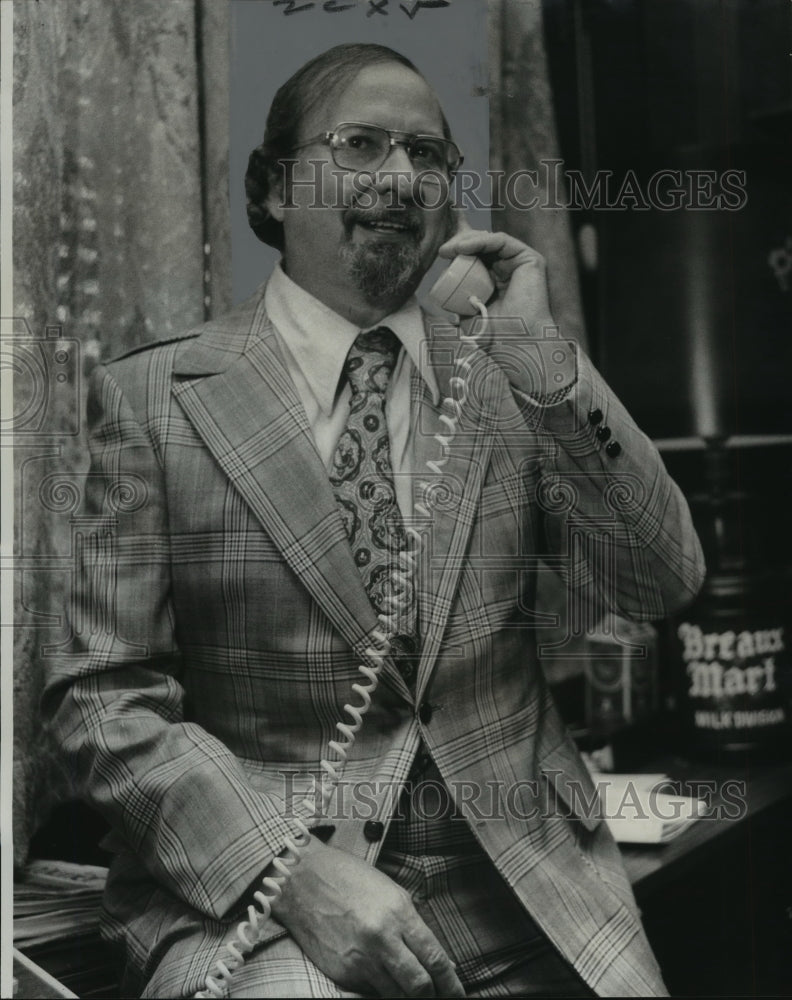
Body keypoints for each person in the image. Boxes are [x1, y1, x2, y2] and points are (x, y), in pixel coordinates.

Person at [44, 43, 705, 999]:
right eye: (361, 145)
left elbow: (662, 581)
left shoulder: (510, 374)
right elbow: (102, 702)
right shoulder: (155, 400)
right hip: (274, 917)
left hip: (528, 898)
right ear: (274, 188)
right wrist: (290, 873)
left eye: (428, 157)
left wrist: (547, 365)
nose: (401, 178)